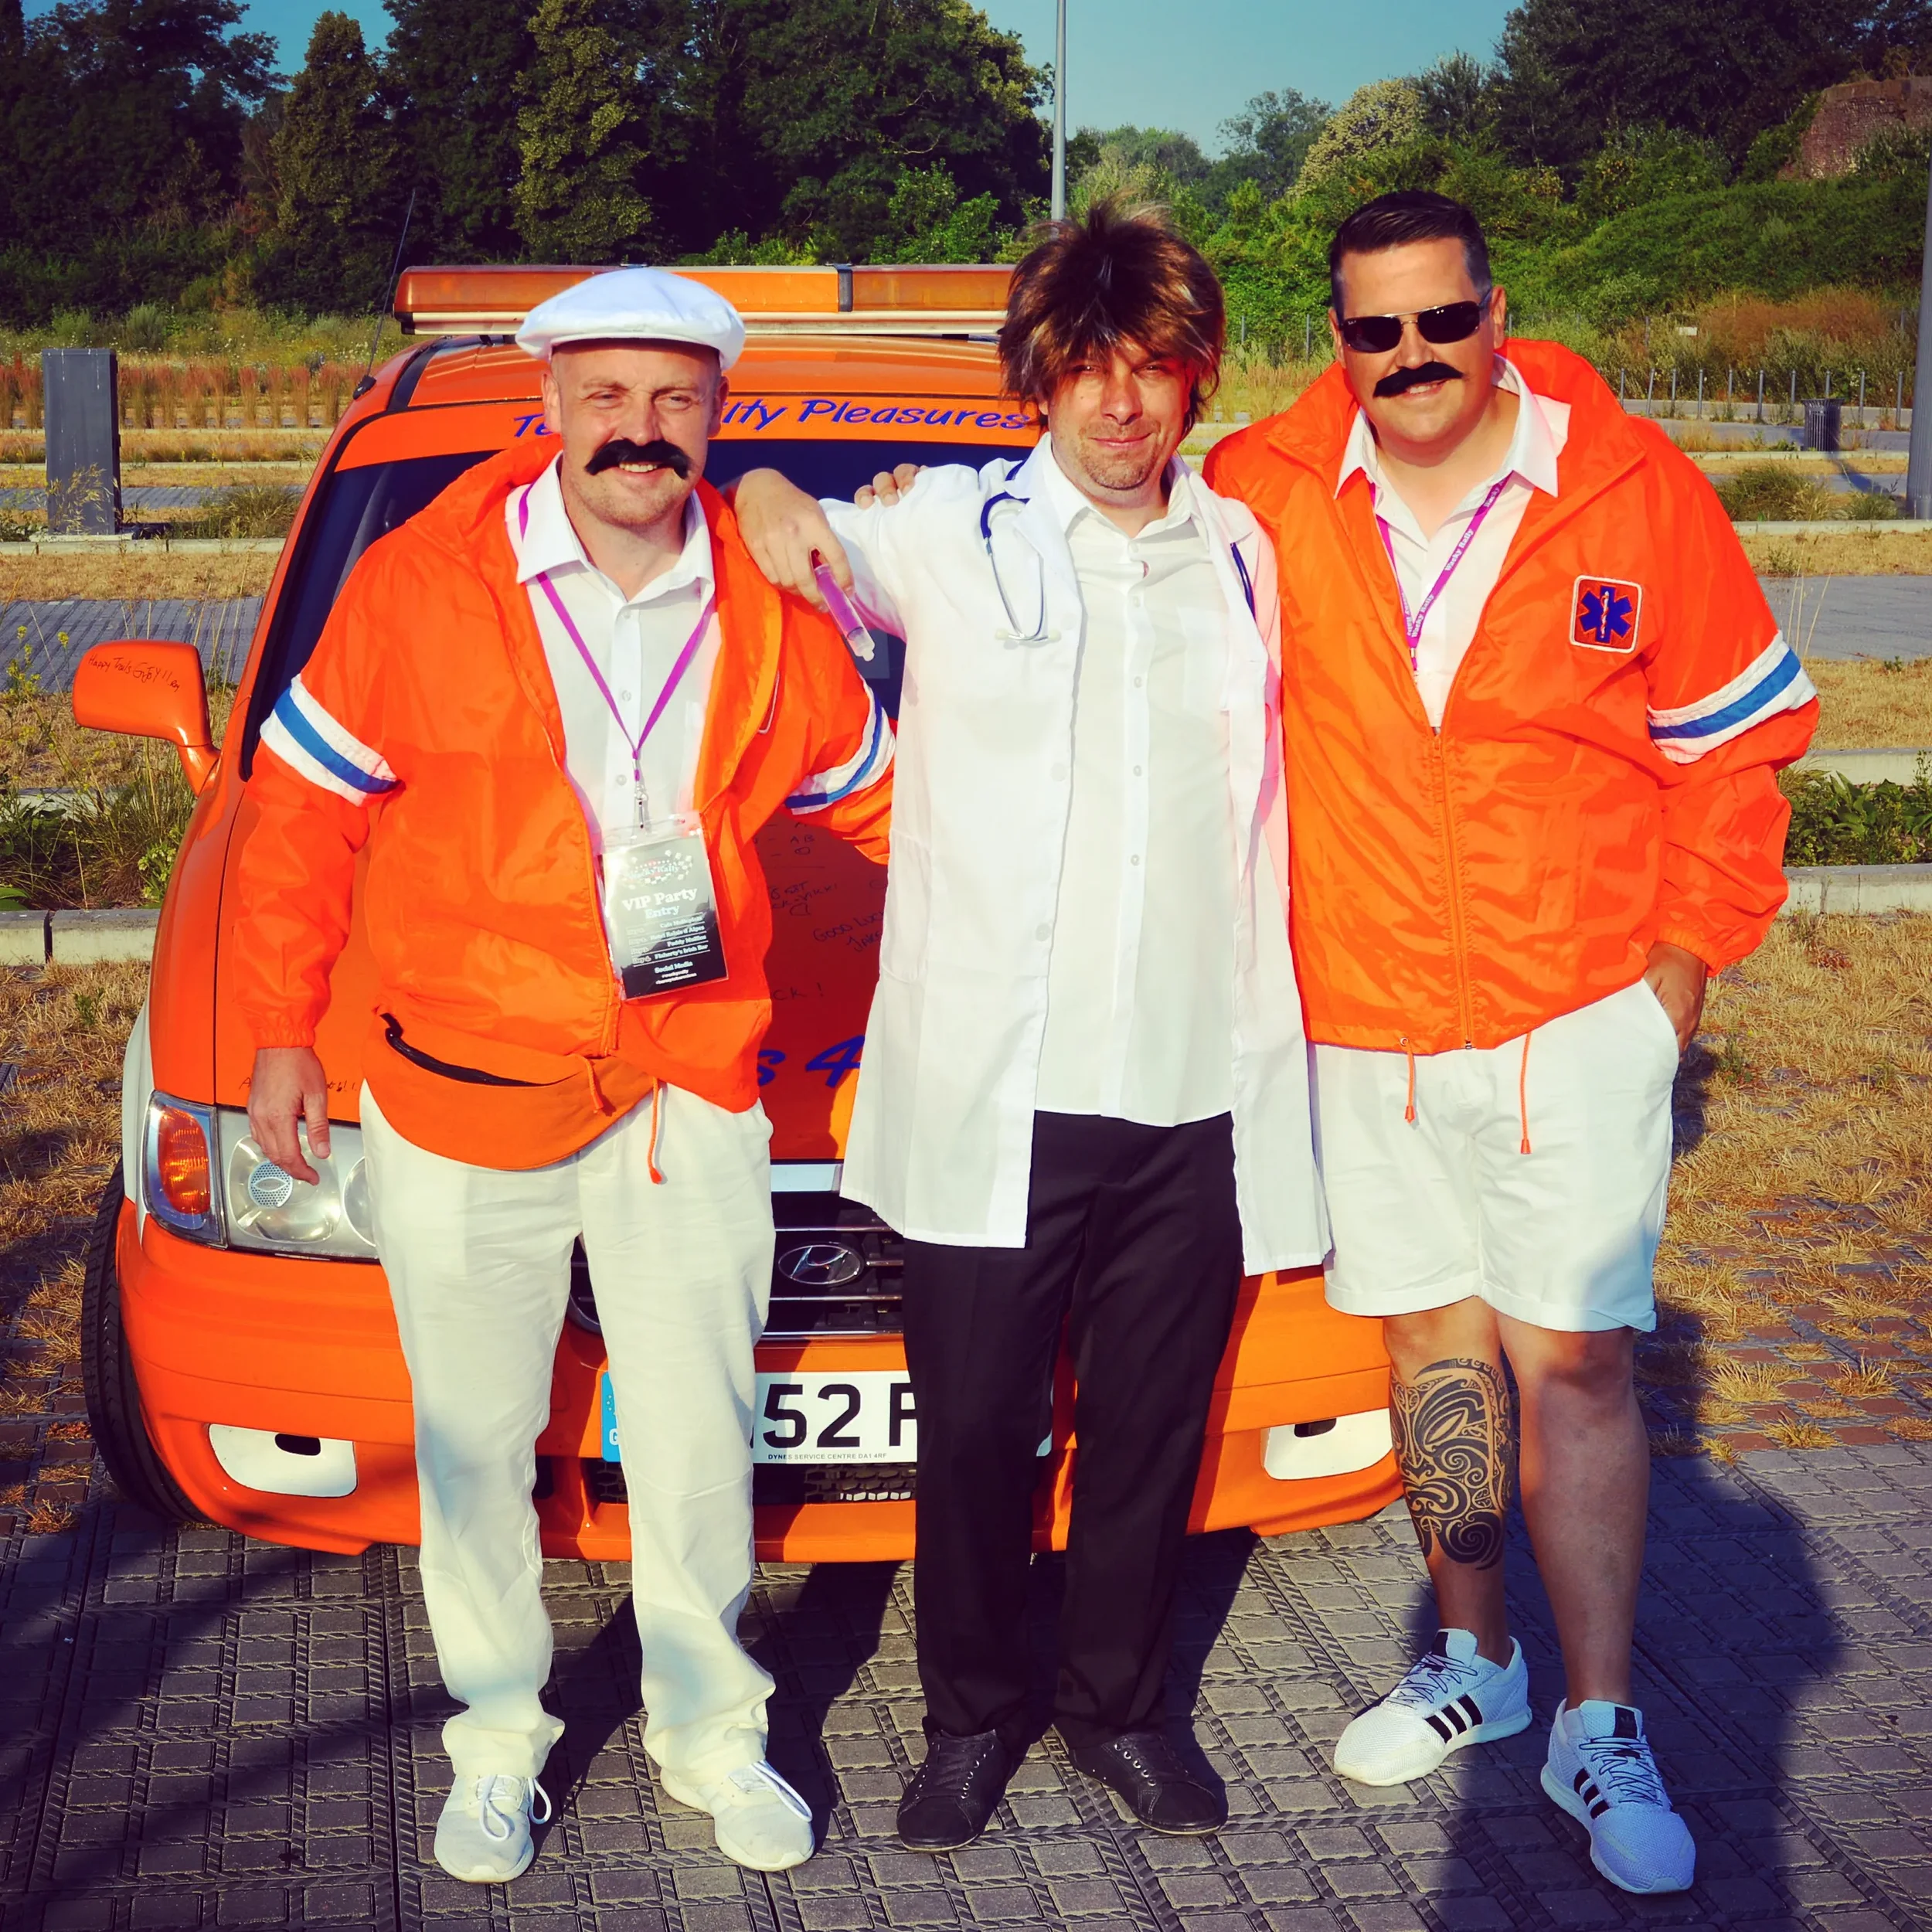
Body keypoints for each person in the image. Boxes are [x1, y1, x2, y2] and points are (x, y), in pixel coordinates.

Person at [231, 268, 893, 1884]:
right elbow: (300, 808)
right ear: (549, 408)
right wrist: (276, 1022)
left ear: (716, 418)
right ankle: (497, 1736)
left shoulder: (769, 598)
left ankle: (710, 1730)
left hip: (687, 1083)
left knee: (695, 1431)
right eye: (605, 397)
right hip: (467, 1077)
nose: (637, 432)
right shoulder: (418, 584)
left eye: (673, 402)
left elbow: (883, 803)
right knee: (470, 1439)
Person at [1203, 191, 1817, 1896]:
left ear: (1492, 311)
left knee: (1580, 1368)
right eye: (1369, 330)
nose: (1407, 357)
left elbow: (1731, 754)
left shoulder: (1630, 488)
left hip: (1574, 1014)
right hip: (1369, 1020)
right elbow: (1079, 538)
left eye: (1436, 322)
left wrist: (1672, 984)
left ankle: (1598, 1717)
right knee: (1431, 1355)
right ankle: (1474, 1667)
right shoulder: (1262, 490)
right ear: (1333, 338)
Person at [728, 201, 1326, 1852]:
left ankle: (1121, 1707)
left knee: (1147, 1427)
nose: (1120, 402)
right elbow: (783, 536)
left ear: (1193, 377)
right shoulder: (952, 532)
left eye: (1152, 366)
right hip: (1006, 1087)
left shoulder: (1242, 549)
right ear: (1036, 381)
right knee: (976, 1428)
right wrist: (769, 483)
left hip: (1194, 1086)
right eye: (1086, 367)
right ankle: (973, 1712)